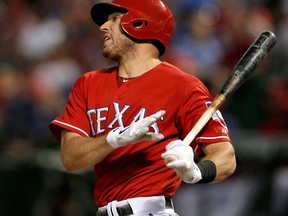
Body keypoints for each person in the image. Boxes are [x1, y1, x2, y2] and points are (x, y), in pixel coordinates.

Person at [49, 0, 237, 215]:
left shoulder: (184, 86)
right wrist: (114, 138)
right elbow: (71, 158)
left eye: (114, 19)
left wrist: (196, 171)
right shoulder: (88, 84)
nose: (103, 27)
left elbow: (226, 156)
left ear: (139, 24)